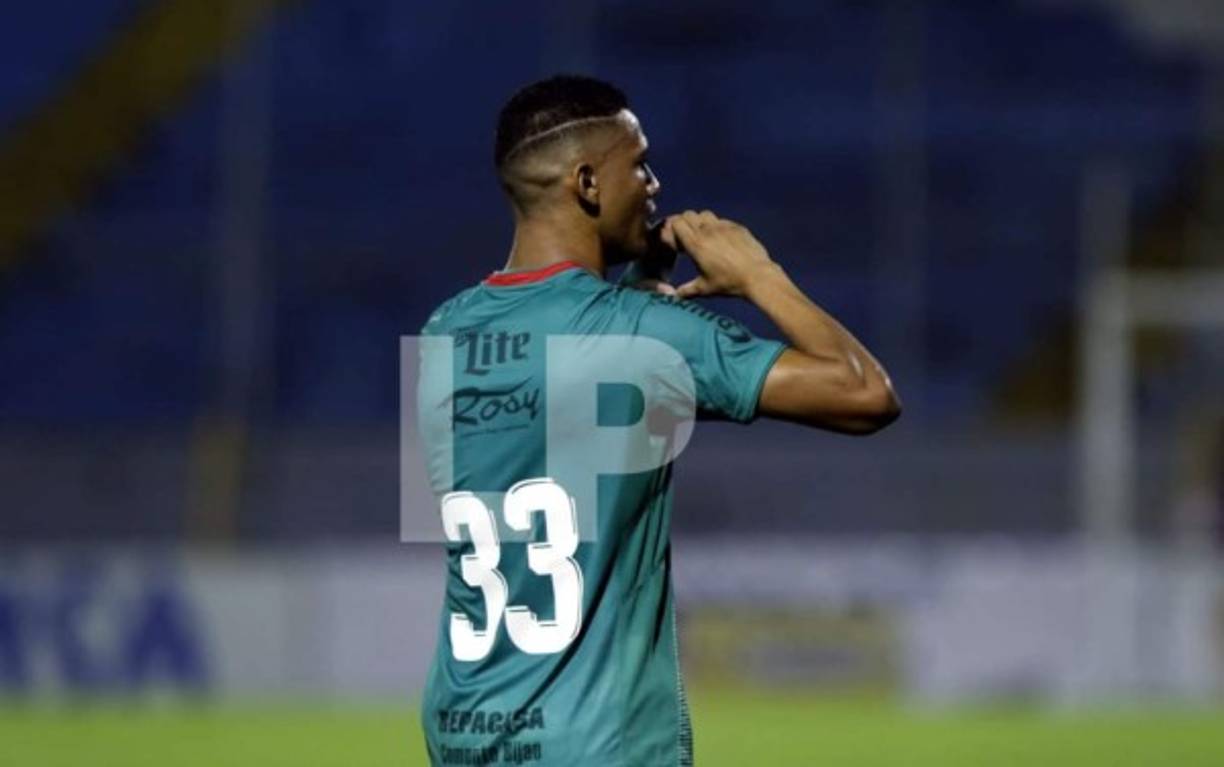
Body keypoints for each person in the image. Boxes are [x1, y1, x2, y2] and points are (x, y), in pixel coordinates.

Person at [416, 74, 899, 766]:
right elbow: (865, 394)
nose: (654, 184)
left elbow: (564, 413)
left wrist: (638, 293)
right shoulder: (643, 340)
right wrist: (759, 274)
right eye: (638, 163)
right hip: (598, 743)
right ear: (587, 182)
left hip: (466, 730)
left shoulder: (444, 335)